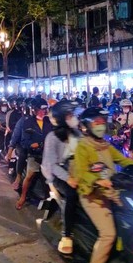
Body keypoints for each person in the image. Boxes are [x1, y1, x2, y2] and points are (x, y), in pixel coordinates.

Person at [73, 107, 133, 263]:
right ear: (86, 126)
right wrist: (97, 180)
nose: (101, 125)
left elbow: (123, 160)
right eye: (96, 122)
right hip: (92, 196)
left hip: (112, 192)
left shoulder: (105, 144)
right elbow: (81, 173)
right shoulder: (82, 146)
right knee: (108, 234)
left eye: (102, 121)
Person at [41, 100, 81, 254]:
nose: (74, 117)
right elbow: (52, 165)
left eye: (74, 114)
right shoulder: (53, 137)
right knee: (72, 195)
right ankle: (67, 235)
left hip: (77, 172)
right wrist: (68, 178)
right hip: (58, 175)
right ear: (63, 118)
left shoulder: (78, 134)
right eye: (71, 115)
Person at [15, 98, 53, 210]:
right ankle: (23, 197)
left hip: (48, 154)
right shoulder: (27, 122)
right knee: (29, 176)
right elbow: (24, 141)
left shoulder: (49, 121)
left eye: (46, 109)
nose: (44, 112)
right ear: (35, 110)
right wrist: (32, 145)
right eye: (42, 110)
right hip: (35, 155)